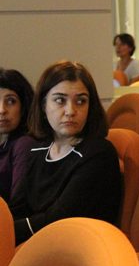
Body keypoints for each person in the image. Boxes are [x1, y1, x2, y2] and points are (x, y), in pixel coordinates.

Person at [10, 61, 121, 245]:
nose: (70, 111)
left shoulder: (99, 153)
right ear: (43, 105)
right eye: (60, 100)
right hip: (38, 245)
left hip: (78, 250)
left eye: (81, 101)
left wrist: (5, 231)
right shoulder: (37, 150)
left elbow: (58, 220)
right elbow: (19, 208)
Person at [0, 69, 35, 203]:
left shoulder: (24, 144)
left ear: (23, 106)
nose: (2, 110)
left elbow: (18, 204)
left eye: (10, 101)